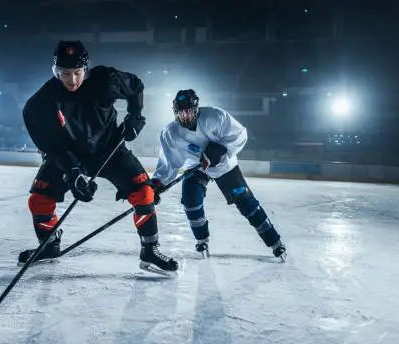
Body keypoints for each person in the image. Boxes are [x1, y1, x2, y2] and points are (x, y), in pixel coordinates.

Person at [20, 40, 178, 274]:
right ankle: (49, 245)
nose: (72, 81)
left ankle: (150, 250)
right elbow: (52, 147)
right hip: (68, 154)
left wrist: (135, 116)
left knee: (144, 193)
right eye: (65, 74)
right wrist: (73, 172)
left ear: (86, 69)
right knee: (39, 199)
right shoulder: (39, 104)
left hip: (109, 149)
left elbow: (135, 87)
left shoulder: (105, 80)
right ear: (55, 71)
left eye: (77, 73)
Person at [151, 89, 287, 261]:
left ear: (196, 109)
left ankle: (274, 241)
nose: (185, 115)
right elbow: (169, 164)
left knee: (246, 202)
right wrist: (156, 184)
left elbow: (240, 134)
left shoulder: (215, 116)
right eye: (181, 112)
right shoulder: (170, 133)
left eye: (189, 111)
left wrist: (220, 149)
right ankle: (202, 239)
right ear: (175, 112)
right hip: (196, 167)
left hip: (224, 166)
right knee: (190, 200)